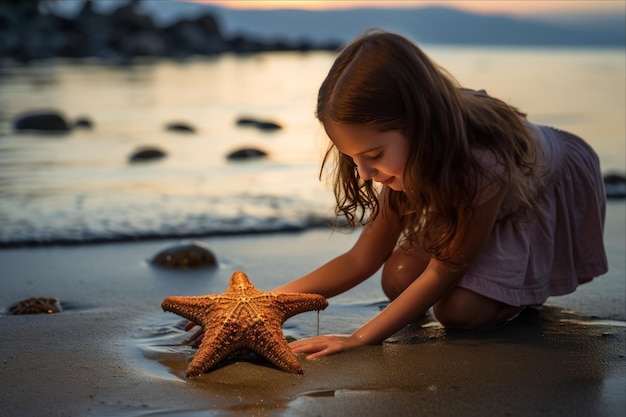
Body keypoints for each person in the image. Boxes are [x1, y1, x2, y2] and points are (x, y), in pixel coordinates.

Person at [269, 30, 608, 360]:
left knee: (457, 311)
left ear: (420, 126)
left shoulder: (481, 164)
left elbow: (444, 270)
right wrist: (265, 301)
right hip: (468, 191)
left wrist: (360, 338)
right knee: (399, 277)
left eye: (372, 156)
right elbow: (362, 258)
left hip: (536, 188)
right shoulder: (404, 155)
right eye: (351, 158)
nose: (363, 173)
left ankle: (521, 291)